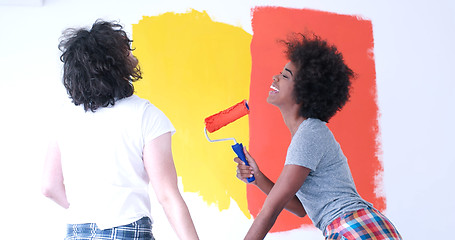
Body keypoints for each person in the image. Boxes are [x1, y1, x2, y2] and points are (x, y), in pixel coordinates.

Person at [41, 20, 199, 240]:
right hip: (128, 231)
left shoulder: (65, 115)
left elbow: (49, 187)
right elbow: (167, 195)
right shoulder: (146, 115)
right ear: (115, 64)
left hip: (77, 232)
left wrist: (87, 212)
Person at [235, 34, 402, 240]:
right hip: (356, 225)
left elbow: (270, 211)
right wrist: (257, 177)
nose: (275, 78)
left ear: (304, 93)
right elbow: (300, 208)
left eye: (285, 76)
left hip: (352, 227)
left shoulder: (309, 135)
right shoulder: (308, 134)